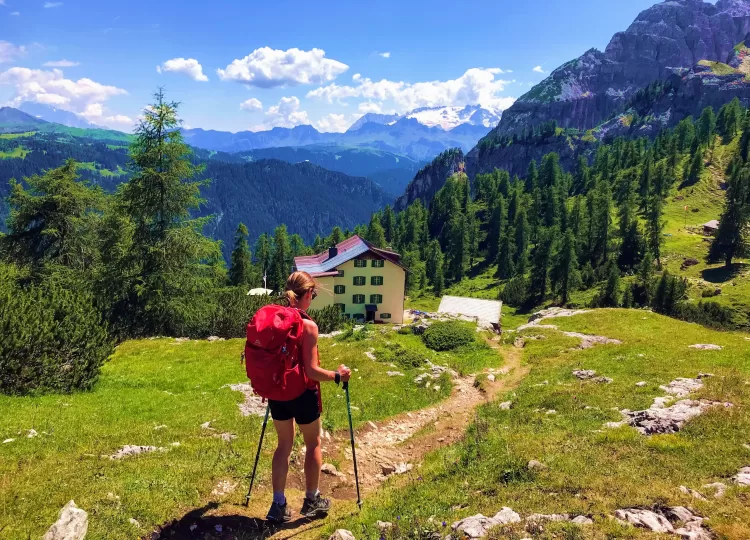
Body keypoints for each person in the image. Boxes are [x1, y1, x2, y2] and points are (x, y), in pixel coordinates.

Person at [266, 271, 351, 523]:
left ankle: (278, 505)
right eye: (312, 294)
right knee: (313, 444)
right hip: (303, 393)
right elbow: (312, 370)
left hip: (278, 391)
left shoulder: (274, 320)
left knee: (283, 446)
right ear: (305, 294)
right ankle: (311, 499)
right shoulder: (309, 326)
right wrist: (338, 376)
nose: (312, 298)